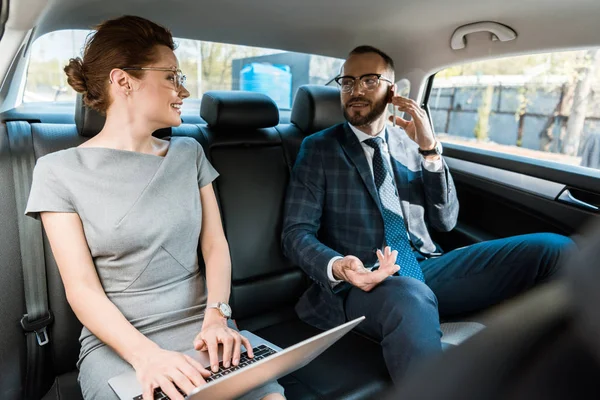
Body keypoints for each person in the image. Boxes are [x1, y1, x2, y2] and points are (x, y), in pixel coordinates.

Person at [25, 15, 284, 400]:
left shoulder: (189, 153)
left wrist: (218, 315)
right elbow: (81, 291)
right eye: (171, 77)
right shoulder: (57, 171)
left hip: (205, 330)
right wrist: (146, 356)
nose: (183, 89)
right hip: (120, 344)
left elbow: (215, 246)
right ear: (124, 81)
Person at [281, 45, 574, 383]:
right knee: (409, 296)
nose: (356, 90)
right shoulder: (319, 148)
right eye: (347, 82)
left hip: (427, 267)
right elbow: (295, 233)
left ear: (393, 90)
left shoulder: (409, 143)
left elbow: (445, 221)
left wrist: (430, 151)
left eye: (369, 80)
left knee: (555, 249)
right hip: (366, 283)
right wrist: (340, 267)